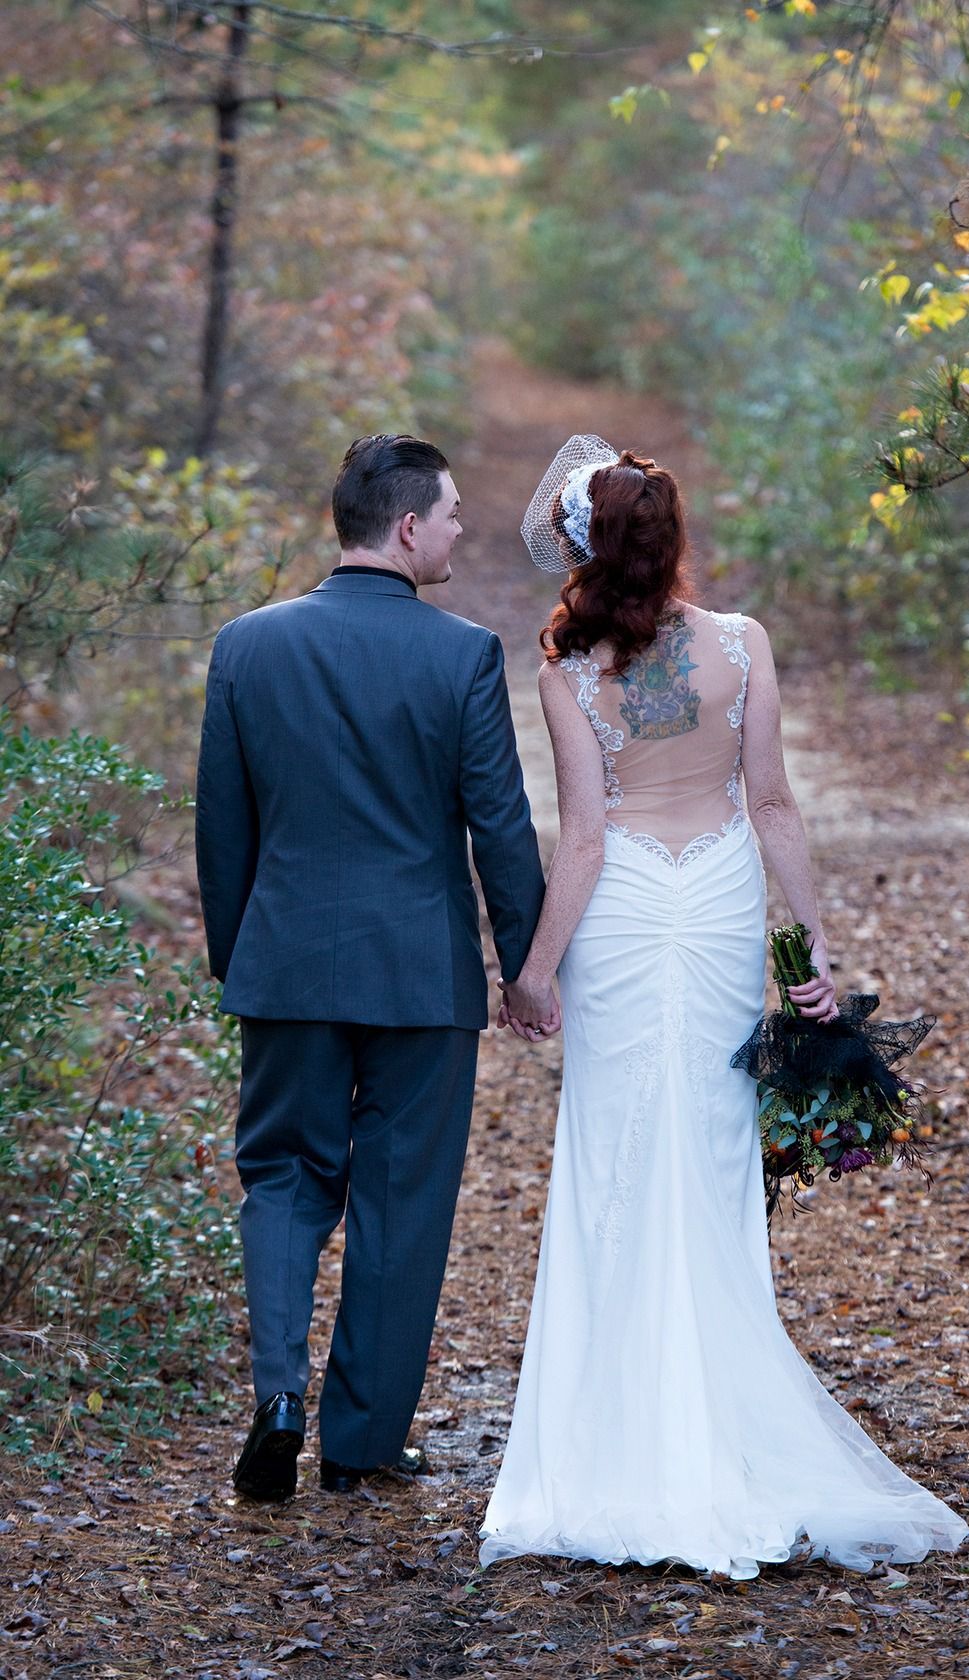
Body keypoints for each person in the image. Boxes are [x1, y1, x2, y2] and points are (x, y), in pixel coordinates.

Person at [481, 437, 969, 1577]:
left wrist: (537, 970)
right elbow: (774, 804)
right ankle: (716, 1414)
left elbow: (589, 839)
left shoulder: (566, 678)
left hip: (622, 916)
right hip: (710, 912)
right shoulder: (743, 649)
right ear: (675, 540)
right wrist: (813, 956)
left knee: (614, 1151)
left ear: (588, 554)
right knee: (707, 1149)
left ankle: (616, 1436)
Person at [195, 433, 547, 1500]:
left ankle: (278, 1396)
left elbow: (224, 831)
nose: (457, 532)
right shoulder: (462, 655)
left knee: (281, 1181)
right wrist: (527, 964)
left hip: (288, 963)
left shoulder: (247, 647)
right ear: (405, 528)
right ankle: (358, 1443)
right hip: (417, 978)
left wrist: (239, 962)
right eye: (448, 516)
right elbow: (500, 827)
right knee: (402, 1198)